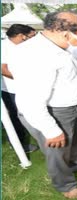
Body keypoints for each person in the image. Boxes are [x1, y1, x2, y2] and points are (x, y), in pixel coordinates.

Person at [8, 11, 77, 199]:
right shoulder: (37, 55)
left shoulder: (56, 46)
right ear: (66, 34)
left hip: (67, 107)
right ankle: (66, 185)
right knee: (58, 149)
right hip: (49, 111)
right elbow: (30, 100)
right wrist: (51, 130)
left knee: (75, 139)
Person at [1, 24, 38, 153]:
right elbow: (3, 70)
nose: (28, 40)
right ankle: (20, 144)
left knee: (26, 114)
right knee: (16, 117)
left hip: (21, 87)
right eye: (28, 37)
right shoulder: (5, 47)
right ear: (21, 36)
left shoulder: (18, 46)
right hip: (11, 89)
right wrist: (25, 79)